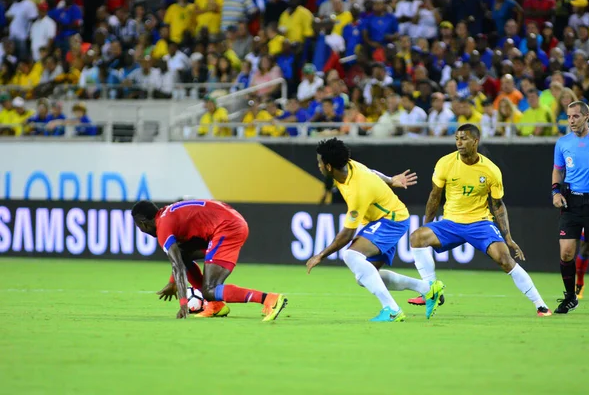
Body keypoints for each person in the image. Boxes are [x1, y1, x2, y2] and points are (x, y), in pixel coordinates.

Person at [406, 124, 551, 317]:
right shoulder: (445, 163)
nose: (459, 142)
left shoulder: (490, 170)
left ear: (476, 141)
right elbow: (434, 196)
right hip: (451, 223)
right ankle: (432, 290)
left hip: (480, 223)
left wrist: (508, 238)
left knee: (504, 258)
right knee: (417, 237)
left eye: (464, 138)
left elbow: (498, 205)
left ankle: (540, 305)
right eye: (457, 138)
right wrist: (427, 224)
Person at [306, 138, 445, 322]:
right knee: (365, 276)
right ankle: (428, 289)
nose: (319, 166)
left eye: (320, 162)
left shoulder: (358, 189)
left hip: (390, 220)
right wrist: (391, 180)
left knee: (351, 256)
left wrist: (321, 255)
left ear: (329, 166)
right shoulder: (349, 166)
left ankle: (392, 310)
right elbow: (372, 172)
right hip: (384, 220)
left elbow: (347, 234)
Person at [131, 199, 287, 321]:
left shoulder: (163, 227)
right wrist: (173, 282)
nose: (142, 231)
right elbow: (181, 257)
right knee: (185, 254)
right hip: (228, 222)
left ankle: (269, 299)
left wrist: (183, 304)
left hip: (227, 228)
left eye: (139, 227)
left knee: (210, 289)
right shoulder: (166, 214)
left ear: (143, 223)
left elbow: (177, 265)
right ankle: (215, 305)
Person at [552, 101, 589, 313]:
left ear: (586, 116)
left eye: (576, 116)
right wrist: (555, 192)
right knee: (566, 253)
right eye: (569, 117)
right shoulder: (563, 143)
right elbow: (557, 170)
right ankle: (571, 297)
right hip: (571, 202)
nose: (571, 121)